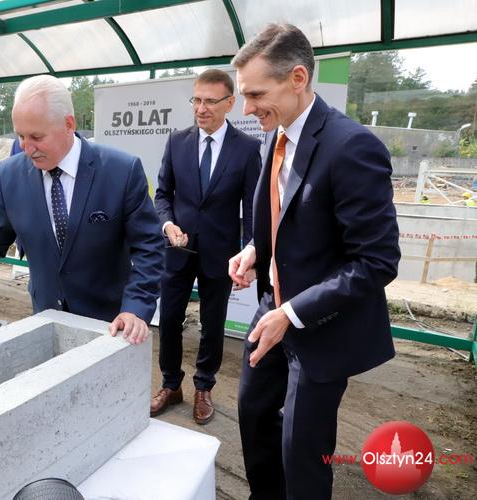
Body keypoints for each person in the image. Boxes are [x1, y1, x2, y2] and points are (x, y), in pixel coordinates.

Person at [228, 23, 400, 499]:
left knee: (301, 451)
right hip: (273, 311)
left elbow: (377, 261)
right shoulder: (275, 136)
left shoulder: (352, 147)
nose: (246, 109)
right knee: (253, 414)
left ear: (298, 78)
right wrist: (255, 249)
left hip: (321, 326)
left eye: (256, 94)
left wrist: (293, 312)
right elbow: (286, 219)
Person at [0, 75, 164, 344]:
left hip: (110, 326)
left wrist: (135, 308)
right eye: (21, 136)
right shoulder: (10, 175)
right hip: (46, 319)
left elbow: (149, 247)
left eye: (36, 137)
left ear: (68, 124)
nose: (27, 148)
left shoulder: (121, 171)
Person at [151, 69, 261, 424]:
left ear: (230, 103)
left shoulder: (247, 149)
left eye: (210, 101)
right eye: (196, 100)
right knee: (169, 320)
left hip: (220, 254)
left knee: (212, 325)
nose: (201, 108)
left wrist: (250, 254)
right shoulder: (176, 141)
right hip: (177, 251)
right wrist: (167, 224)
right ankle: (171, 384)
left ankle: (203, 387)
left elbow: (253, 209)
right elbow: (162, 195)